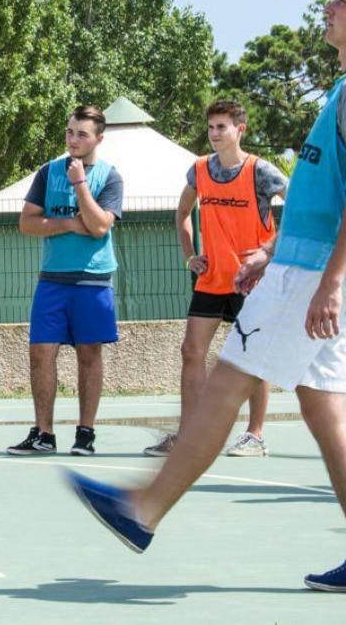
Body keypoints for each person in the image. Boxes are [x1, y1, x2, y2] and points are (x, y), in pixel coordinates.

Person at [70, 0, 346, 595]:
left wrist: (329, 280)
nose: (328, 6)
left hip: (312, 275)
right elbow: (328, 195)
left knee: (226, 381)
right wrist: (274, 251)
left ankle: (143, 510)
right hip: (305, 266)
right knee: (325, 411)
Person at [145, 100, 285, 459]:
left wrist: (268, 252)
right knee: (191, 351)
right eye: (210, 127)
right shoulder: (199, 170)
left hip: (251, 280)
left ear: (240, 129)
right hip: (212, 278)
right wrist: (190, 255)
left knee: (253, 357)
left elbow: (301, 210)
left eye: (222, 126)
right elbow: (182, 212)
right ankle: (189, 434)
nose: (214, 133)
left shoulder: (261, 171)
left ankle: (255, 435)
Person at [8, 105, 122, 458]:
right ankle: (43, 434)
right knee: (41, 352)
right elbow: (27, 223)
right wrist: (70, 224)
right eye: (70, 132)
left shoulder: (110, 177)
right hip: (52, 280)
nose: (73, 140)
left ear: (99, 139)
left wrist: (80, 183)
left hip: (92, 279)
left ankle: (85, 433)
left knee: (89, 354)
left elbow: (99, 226)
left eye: (82, 134)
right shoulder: (47, 172)